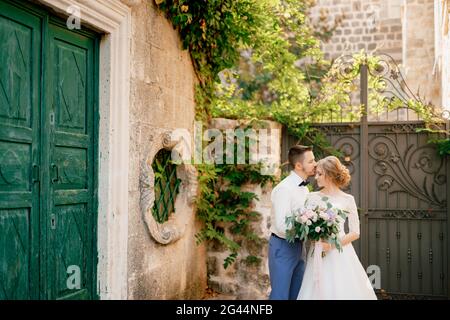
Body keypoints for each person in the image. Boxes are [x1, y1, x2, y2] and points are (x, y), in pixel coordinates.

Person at [297, 156, 377, 300]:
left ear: (330, 175)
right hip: (318, 251)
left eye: (320, 174)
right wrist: (314, 236)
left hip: (340, 253)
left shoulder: (348, 199)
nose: (316, 177)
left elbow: (355, 232)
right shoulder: (311, 197)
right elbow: (305, 225)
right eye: (316, 173)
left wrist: (331, 245)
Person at [268, 145, 317, 300]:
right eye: (311, 161)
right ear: (298, 165)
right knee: (280, 295)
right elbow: (282, 226)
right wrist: (309, 231)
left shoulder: (304, 189)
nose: (315, 164)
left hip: (299, 247)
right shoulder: (284, 189)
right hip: (283, 247)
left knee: (298, 294)